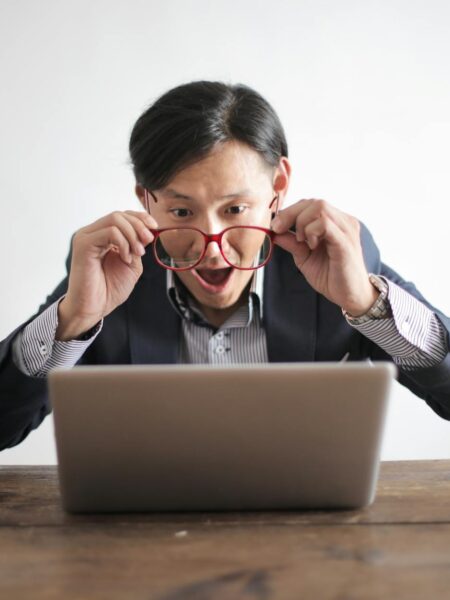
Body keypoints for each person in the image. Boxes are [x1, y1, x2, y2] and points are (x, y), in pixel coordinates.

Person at [0, 80, 449, 452]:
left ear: (278, 186)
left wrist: (368, 305)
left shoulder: (337, 258)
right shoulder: (110, 273)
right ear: (146, 201)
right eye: (181, 213)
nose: (213, 250)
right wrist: (72, 322)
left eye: (235, 210)